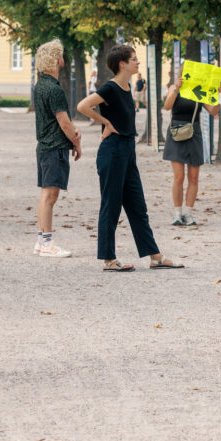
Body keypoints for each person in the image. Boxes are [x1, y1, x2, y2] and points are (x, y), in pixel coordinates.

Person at [76, 44, 183, 272]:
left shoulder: (127, 88)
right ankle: (108, 259)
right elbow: (83, 106)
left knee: (137, 205)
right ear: (122, 63)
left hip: (127, 151)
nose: (137, 62)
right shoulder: (110, 88)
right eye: (134, 59)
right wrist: (105, 123)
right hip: (113, 151)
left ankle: (155, 256)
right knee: (111, 205)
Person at [32, 39, 82, 258]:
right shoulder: (54, 89)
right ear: (56, 59)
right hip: (54, 147)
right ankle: (47, 242)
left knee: (45, 195)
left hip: (44, 146)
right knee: (50, 196)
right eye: (61, 55)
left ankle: (41, 238)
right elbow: (63, 122)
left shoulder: (40, 85)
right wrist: (76, 141)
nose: (63, 59)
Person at [162, 67, 221, 226]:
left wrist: (219, 93)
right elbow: (167, 106)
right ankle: (177, 213)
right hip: (176, 132)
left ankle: (188, 213)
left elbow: (214, 111)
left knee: (194, 177)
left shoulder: (199, 91)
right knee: (179, 176)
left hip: (193, 132)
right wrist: (176, 88)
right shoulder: (174, 88)